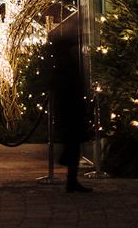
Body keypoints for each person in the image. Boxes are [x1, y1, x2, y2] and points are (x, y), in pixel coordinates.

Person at [46, 15, 94, 193]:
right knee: (72, 145)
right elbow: (69, 86)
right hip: (71, 111)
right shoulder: (66, 63)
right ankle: (71, 179)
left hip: (69, 110)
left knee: (72, 145)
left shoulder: (61, 61)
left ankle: (71, 179)